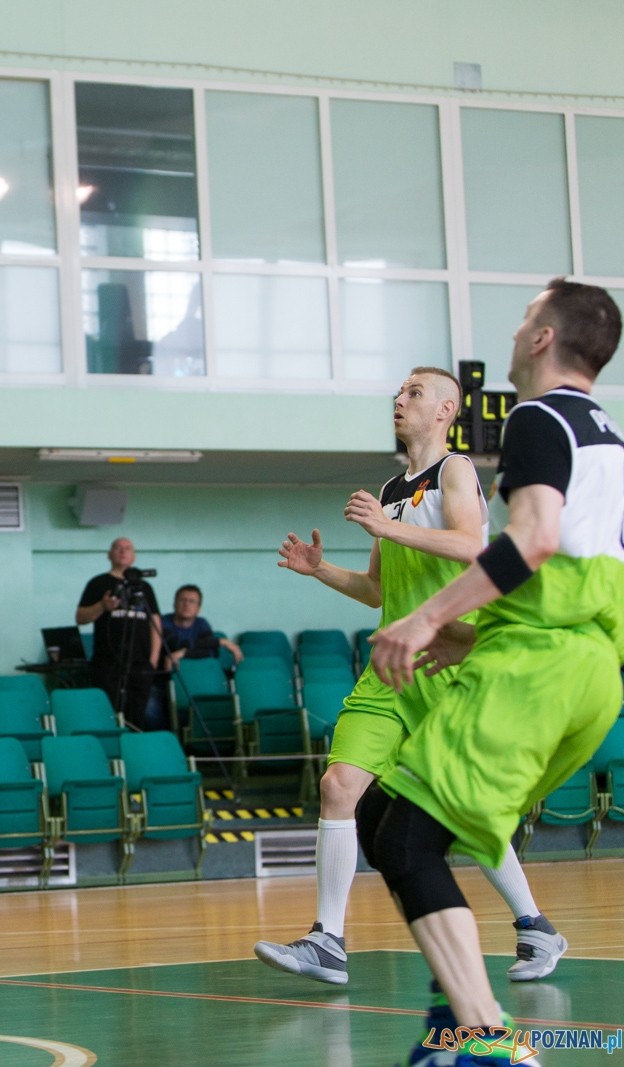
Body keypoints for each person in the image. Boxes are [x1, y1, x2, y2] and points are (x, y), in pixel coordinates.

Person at [365, 282, 622, 1065]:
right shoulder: (609, 437)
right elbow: (585, 572)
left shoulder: (538, 418)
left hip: (538, 670)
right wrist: (480, 636)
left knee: (404, 838)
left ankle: (484, 1041)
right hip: (589, 671)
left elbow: (535, 540)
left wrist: (428, 617)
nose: (513, 331)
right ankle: (459, 1011)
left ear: (543, 338)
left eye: (523, 318)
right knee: (388, 818)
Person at [255, 367, 566, 991]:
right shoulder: (393, 487)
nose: (400, 400)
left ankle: (536, 925)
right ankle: (329, 941)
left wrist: (386, 527)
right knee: (339, 785)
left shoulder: (456, 472)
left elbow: (472, 545)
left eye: (414, 393)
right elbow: (376, 590)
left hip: (448, 665)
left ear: (446, 409)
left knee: (466, 810)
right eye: (399, 393)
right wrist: (322, 571)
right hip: (390, 669)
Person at [76, 538, 162, 729]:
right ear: (109, 554)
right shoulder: (98, 583)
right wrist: (102, 606)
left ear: (134, 556)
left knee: (137, 716)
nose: (123, 551)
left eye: (128, 548)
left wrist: (153, 658)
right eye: (118, 548)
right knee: (109, 715)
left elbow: (154, 622)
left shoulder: (144, 587)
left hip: (140, 664)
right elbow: (80, 617)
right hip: (108, 662)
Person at [160, 585, 243, 669]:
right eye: (182, 600)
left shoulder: (201, 623)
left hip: (196, 670)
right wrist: (221, 641)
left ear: (198, 609)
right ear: (174, 604)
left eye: (192, 601)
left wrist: (184, 653)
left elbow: (212, 652)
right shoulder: (163, 621)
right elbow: (176, 644)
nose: (186, 604)